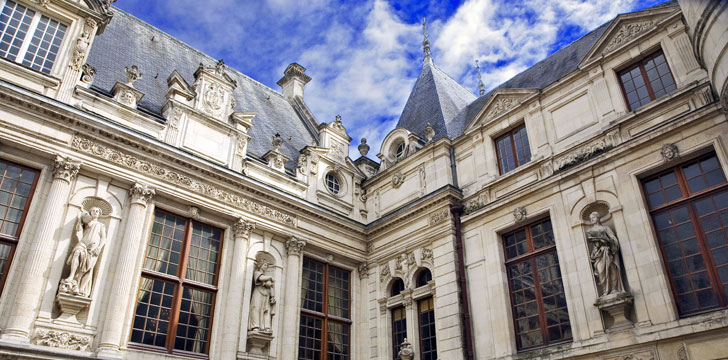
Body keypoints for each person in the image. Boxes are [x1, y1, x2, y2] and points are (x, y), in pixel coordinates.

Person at [61, 207, 106, 297]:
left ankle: (81, 286)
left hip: (93, 248)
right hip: (83, 244)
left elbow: (103, 238)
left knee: (88, 268)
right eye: (93, 211)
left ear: (99, 214)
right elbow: (79, 229)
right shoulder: (87, 223)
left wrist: (99, 248)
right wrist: (80, 220)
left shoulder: (101, 225)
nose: (95, 212)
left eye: (97, 211)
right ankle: (71, 275)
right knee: (77, 252)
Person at [586, 211, 624, 296]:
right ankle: (605, 290)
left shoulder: (605, 228)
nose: (592, 219)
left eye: (594, 217)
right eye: (591, 218)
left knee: (612, 269)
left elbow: (613, 238)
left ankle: (614, 289)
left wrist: (607, 241)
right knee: (600, 271)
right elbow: (590, 239)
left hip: (607, 251)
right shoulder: (589, 231)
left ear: (598, 218)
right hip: (598, 254)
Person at [248, 261, 276, 333]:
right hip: (258, 293)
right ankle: (255, 326)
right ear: (260, 265)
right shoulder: (257, 273)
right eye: (264, 265)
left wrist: (272, 297)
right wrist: (270, 277)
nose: (265, 267)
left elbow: (270, 286)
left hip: (265, 294)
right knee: (256, 307)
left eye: (266, 265)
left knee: (265, 310)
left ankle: (263, 327)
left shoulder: (265, 277)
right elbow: (261, 278)